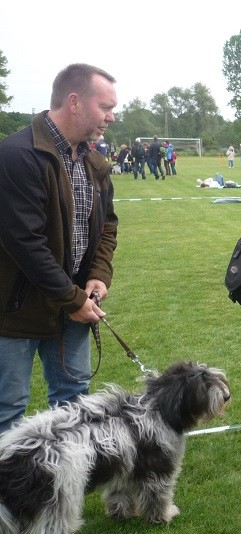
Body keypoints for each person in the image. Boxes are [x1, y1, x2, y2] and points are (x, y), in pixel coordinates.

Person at [0, 63, 118, 434]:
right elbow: (25, 243)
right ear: (74, 102)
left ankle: (64, 491)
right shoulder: (17, 155)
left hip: (75, 305)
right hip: (16, 310)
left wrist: (98, 276)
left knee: (74, 402)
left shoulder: (93, 162)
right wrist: (73, 298)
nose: (111, 117)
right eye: (106, 107)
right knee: (8, 408)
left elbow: (106, 226)